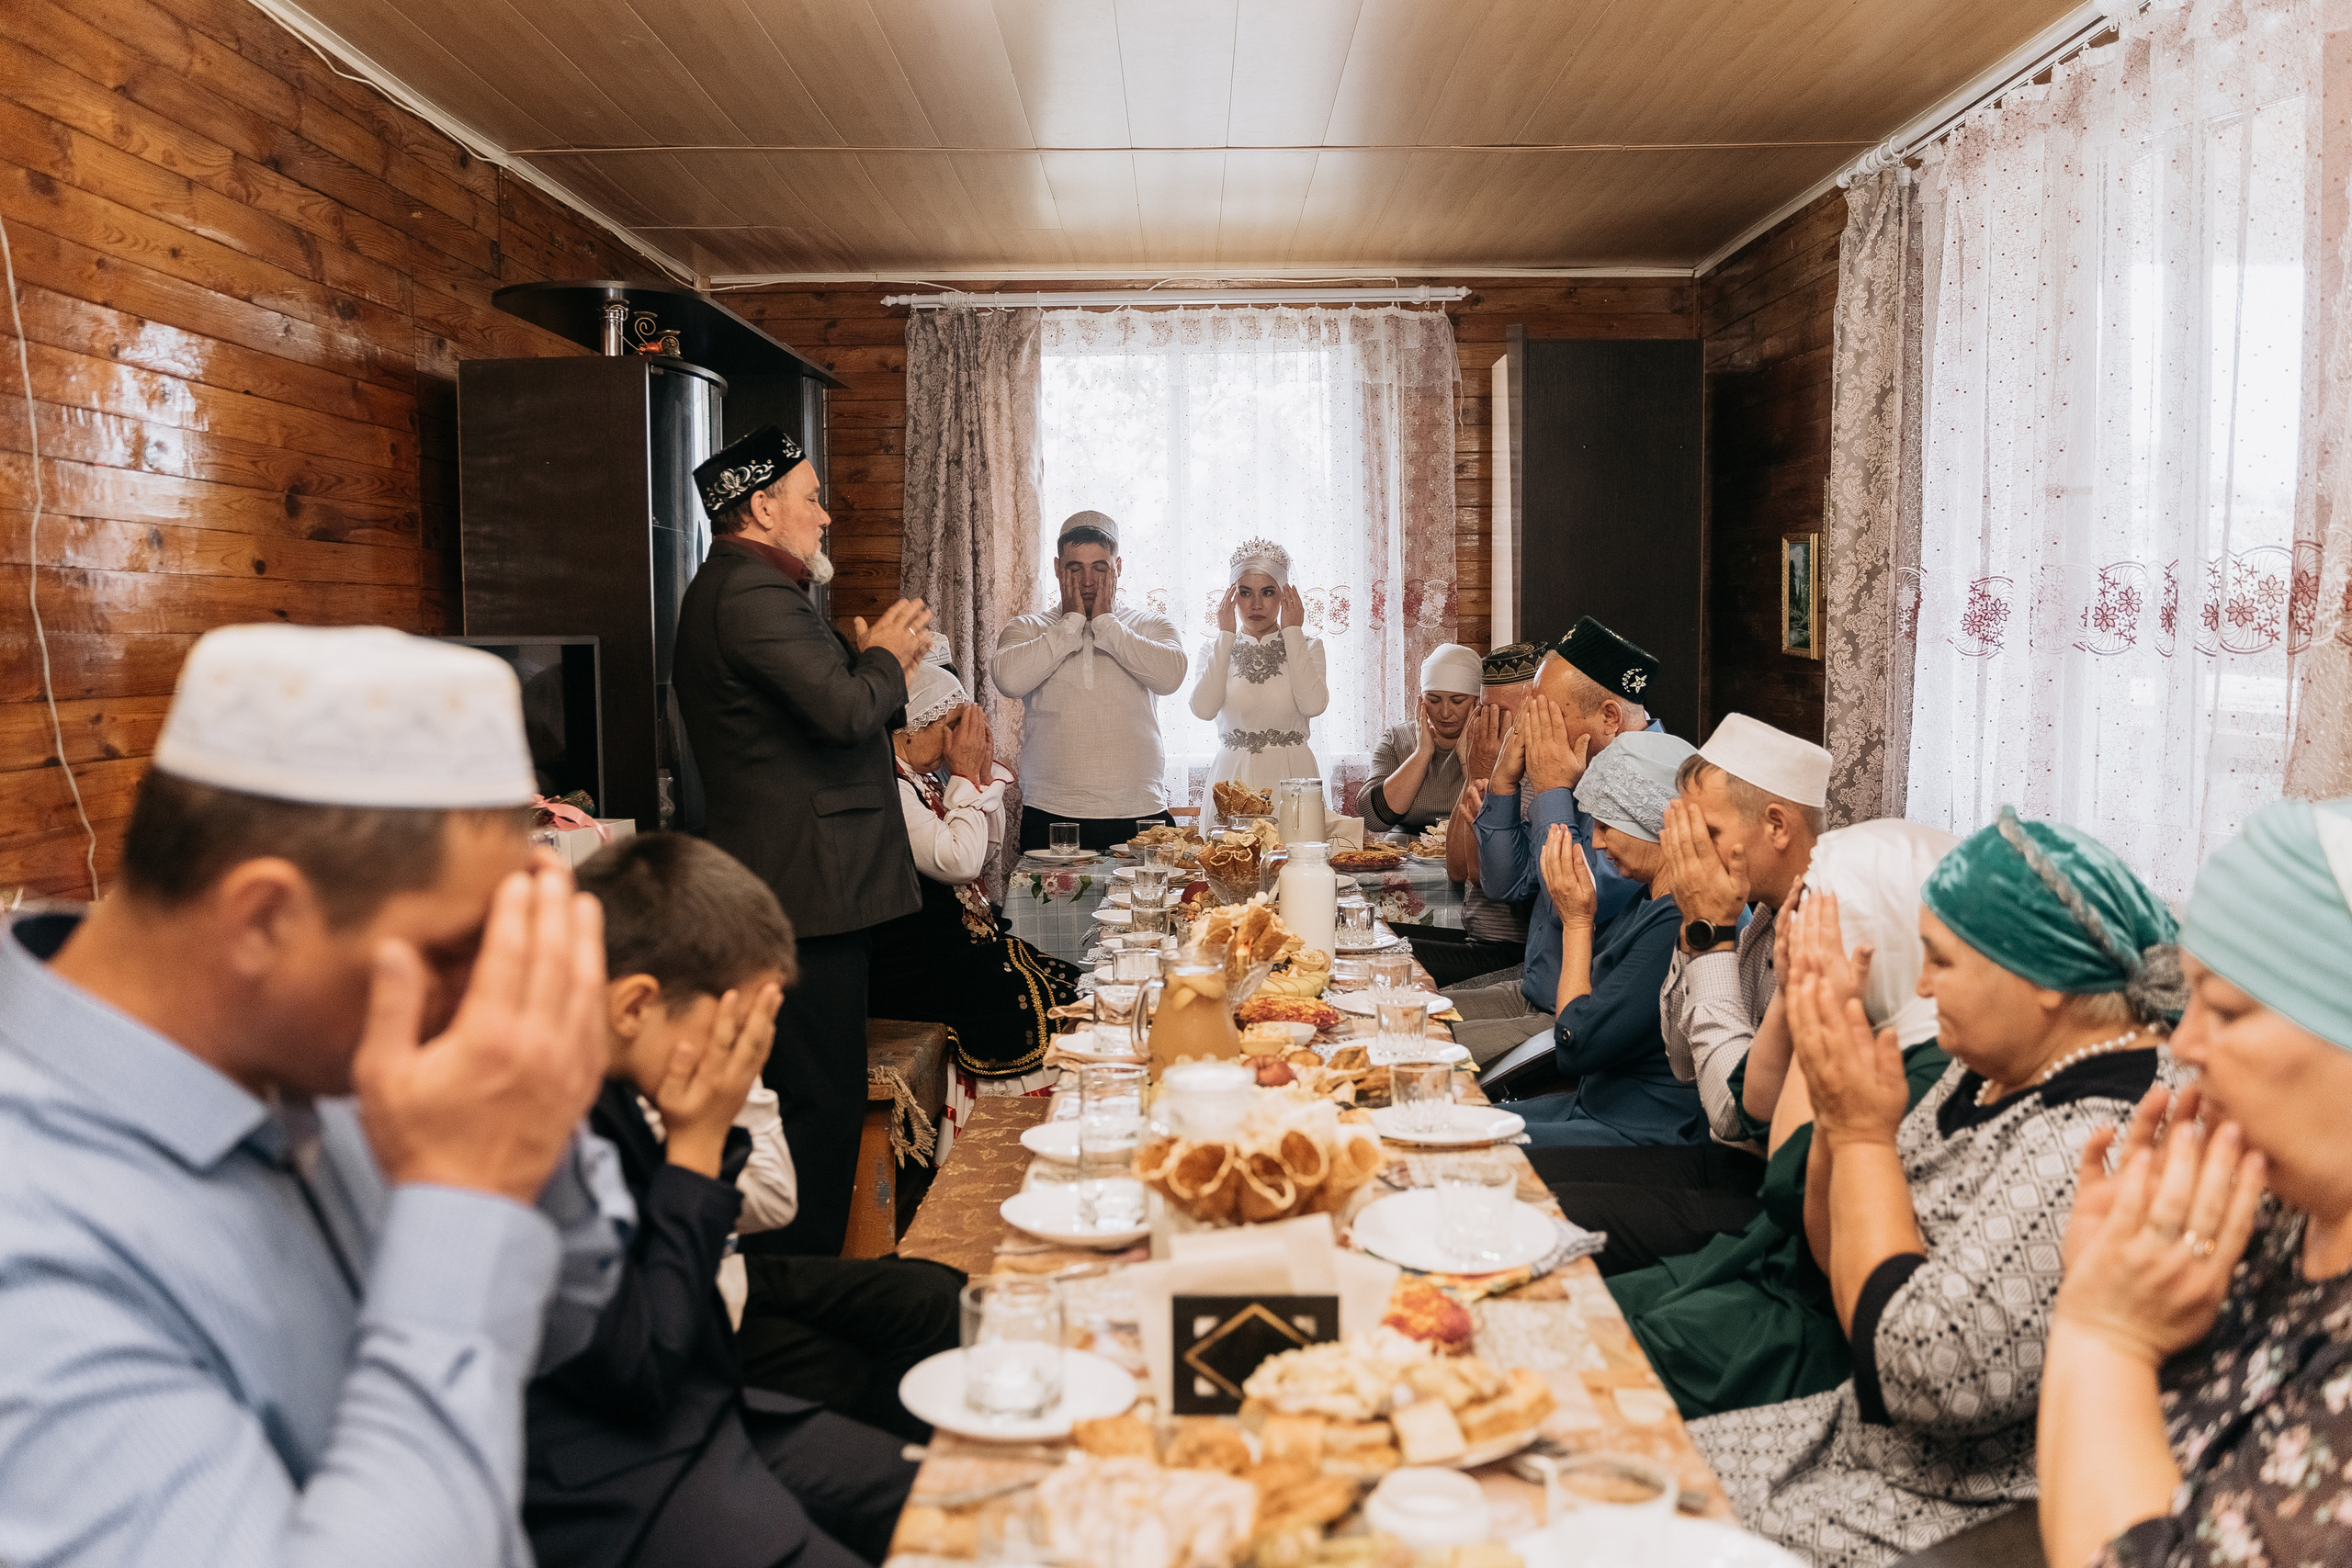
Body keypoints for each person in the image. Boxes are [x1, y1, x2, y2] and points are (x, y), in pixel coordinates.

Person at [0, 624, 628, 1567]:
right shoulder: (33, 1248)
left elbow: (570, 1321)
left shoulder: (315, 1039)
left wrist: (529, 1120)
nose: (481, 985)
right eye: (455, 949)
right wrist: (464, 1197)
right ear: (264, 919)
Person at [1691, 808, 2182, 1566]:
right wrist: (1835, 1108)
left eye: (1942, 961)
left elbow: (1919, 1369)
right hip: (1851, 1438)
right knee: (1604, 1464)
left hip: (1946, 1509)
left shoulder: (2103, 1136)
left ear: (2043, 976)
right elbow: (1831, 1247)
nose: (1919, 983)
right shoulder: (1986, 1062)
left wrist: (1859, 1131)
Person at [531, 834, 961, 1568]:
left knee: (943, 1497)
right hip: (620, 1467)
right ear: (636, 1005)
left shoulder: (614, 1074)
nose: (747, 1056)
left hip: (699, 1401)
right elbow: (647, 1366)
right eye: (732, 1032)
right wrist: (698, 1140)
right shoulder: (539, 1124)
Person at [2037, 796, 2352, 1568]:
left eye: (2230, 1008)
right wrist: (2118, 1273)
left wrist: (2102, 1329)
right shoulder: (2279, 1211)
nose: (2185, 1042)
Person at [674, 423, 934, 1258]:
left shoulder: (765, 591)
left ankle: (808, 1290)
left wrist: (870, 664)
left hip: (811, 894)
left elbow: (836, 710)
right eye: (812, 497)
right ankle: (803, 1302)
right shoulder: (748, 594)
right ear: (762, 505)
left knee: (814, 1106)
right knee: (813, 1115)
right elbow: (845, 711)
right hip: (801, 900)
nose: (825, 516)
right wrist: (885, 660)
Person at [1600, 821, 1955, 1411]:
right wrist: (1795, 996)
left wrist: (1818, 1005)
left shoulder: (1923, 1062)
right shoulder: (1887, 1026)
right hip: (1757, 1258)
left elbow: (1786, 1184)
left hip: (1800, 1318)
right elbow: (1754, 1104)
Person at [873, 659, 1084, 1135]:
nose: (957, 741)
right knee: (1018, 1007)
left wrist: (979, 779)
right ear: (908, 731)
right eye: (950, 727)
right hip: (913, 962)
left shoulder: (922, 778)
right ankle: (1001, 1138)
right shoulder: (891, 788)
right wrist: (966, 777)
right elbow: (959, 863)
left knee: (1064, 985)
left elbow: (983, 849)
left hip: (947, 946)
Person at [1453, 617, 1660, 1064]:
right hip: (1531, 987)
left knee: (1417, 1048)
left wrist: (1551, 790)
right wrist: (1505, 784)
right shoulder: (1584, 762)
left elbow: (1584, 896)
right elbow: (1506, 885)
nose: (1531, 729)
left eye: (1546, 713)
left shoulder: (1655, 780)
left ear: (1608, 716)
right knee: (1398, 1010)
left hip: (1576, 1012)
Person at [1504, 729, 1707, 1148]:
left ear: (1653, 823)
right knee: (1453, 1122)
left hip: (1641, 1131)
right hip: (1598, 1106)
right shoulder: (1652, 897)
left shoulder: (1680, 917)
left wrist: (1577, 922)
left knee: (1458, 1145)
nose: (1595, 841)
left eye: (1604, 824)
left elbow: (1575, 1047)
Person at [1657, 714, 1832, 1147]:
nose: (1689, 849)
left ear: (1777, 826)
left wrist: (1713, 931)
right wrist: (1698, 925)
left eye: (1707, 832)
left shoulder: (1826, 928)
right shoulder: (1758, 916)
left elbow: (1733, 1114)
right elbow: (1682, 1062)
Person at [995, 511, 1189, 852]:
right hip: (1053, 814)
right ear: (1057, 568)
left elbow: (1170, 676)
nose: (1087, 582)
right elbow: (1009, 680)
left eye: (1100, 568)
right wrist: (1070, 623)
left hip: (1141, 811)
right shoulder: (1026, 628)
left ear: (1117, 569)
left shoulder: (1151, 626)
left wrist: (1106, 623)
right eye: (1074, 569)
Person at [1409, 643, 1544, 990]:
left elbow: (1478, 873)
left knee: (1384, 958)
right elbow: (1454, 867)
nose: (1488, 724)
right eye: (1485, 711)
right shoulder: (1498, 764)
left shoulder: (1535, 778)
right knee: (1371, 939)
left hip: (1510, 954)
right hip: (1477, 936)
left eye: (1502, 714)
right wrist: (1476, 773)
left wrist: (1485, 773)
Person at [1188, 537, 1330, 793]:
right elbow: (1203, 710)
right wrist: (1225, 636)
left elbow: (1313, 705)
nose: (1256, 604)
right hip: (1233, 779)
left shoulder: (1308, 646)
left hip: (1294, 779)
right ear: (1231, 596)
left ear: (1285, 594)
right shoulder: (1214, 649)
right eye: (1245, 593)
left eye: (1267, 592)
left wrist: (1293, 631)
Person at [1362, 643, 1484, 832]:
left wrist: (1467, 757)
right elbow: (1373, 820)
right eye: (1434, 700)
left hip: (1468, 848)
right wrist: (1422, 753)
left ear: (1478, 701)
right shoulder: (1397, 738)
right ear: (1422, 700)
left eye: (1457, 701)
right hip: (1403, 852)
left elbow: (1493, 816)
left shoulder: (1493, 740)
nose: (1445, 712)